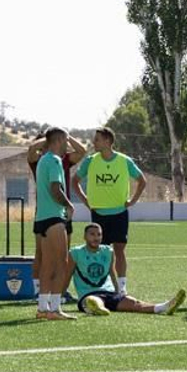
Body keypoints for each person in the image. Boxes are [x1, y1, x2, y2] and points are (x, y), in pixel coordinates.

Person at [73, 127, 145, 292]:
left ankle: (121, 287)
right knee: (101, 252)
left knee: (119, 251)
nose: (94, 142)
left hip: (119, 213)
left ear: (108, 141)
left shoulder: (124, 160)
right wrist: (86, 201)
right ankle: (104, 286)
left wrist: (133, 200)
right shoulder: (90, 161)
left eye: (97, 139)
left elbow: (142, 180)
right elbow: (74, 181)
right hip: (98, 214)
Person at [70, 223, 184, 315]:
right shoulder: (76, 252)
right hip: (87, 295)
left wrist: (117, 291)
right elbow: (66, 275)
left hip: (108, 293)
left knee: (134, 303)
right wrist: (57, 297)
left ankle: (164, 307)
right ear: (84, 236)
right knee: (93, 300)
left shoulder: (107, 251)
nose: (96, 237)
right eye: (92, 234)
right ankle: (97, 307)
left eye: (99, 234)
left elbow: (111, 272)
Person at [29, 130, 86, 298]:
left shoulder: (62, 160)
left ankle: (55, 293)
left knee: (59, 256)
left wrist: (65, 136)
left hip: (57, 213)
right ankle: (40, 292)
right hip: (51, 212)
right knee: (46, 256)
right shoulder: (41, 160)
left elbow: (82, 151)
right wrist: (49, 140)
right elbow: (31, 150)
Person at [32, 128, 77, 320]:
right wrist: (69, 205)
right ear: (58, 140)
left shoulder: (42, 160)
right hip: (54, 218)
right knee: (62, 263)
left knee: (47, 265)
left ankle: (43, 308)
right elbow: (55, 188)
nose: (67, 145)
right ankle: (55, 309)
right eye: (66, 140)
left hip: (41, 219)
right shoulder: (55, 160)